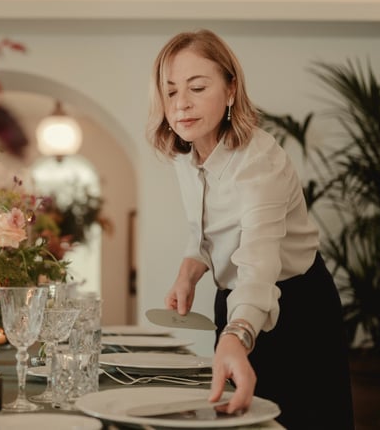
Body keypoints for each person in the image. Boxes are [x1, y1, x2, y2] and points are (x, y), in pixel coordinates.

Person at [147, 29, 354, 430]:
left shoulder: (260, 162)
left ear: (230, 90)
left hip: (296, 307)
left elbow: (258, 262)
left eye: (197, 87)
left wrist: (235, 335)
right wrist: (189, 272)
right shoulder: (185, 159)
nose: (181, 104)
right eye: (170, 92)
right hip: (234, 302)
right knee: (238, 421)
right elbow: (204, 231)